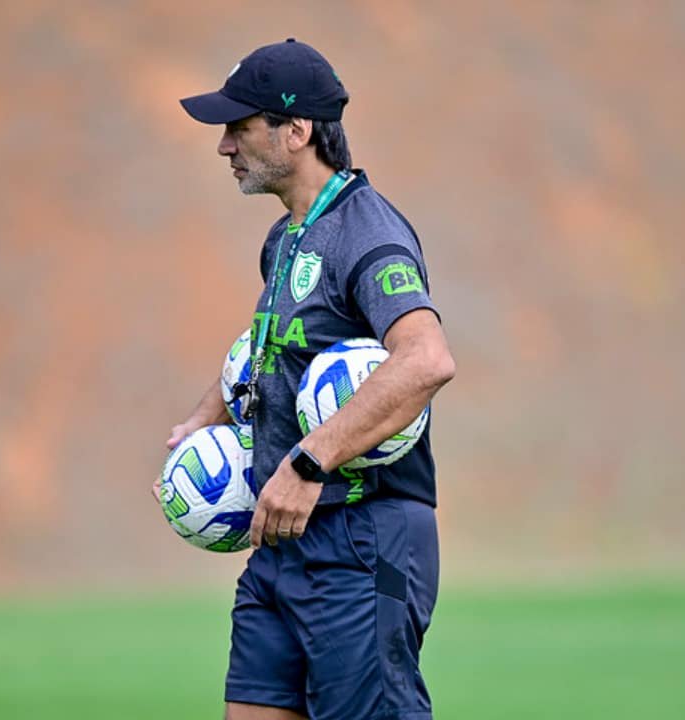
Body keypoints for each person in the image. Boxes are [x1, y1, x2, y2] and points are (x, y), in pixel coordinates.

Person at [166, 38, 456, 720]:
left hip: (363, 536)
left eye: (239, 127)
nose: (224, 146)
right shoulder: (287, 236)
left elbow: (424, 359)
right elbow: (268, 348)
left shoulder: (367, 230)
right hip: (282, 542)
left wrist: (308, 460)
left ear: (296, 132)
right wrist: (205, 416)